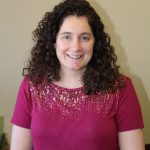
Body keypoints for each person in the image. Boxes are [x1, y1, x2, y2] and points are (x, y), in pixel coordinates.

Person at [10, 0, 144, 149]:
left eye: (85, 37)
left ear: (95, 42)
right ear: (54, 41)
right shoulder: (31, 86)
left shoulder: (120, 88)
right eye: (67, 36)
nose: (76, 47)